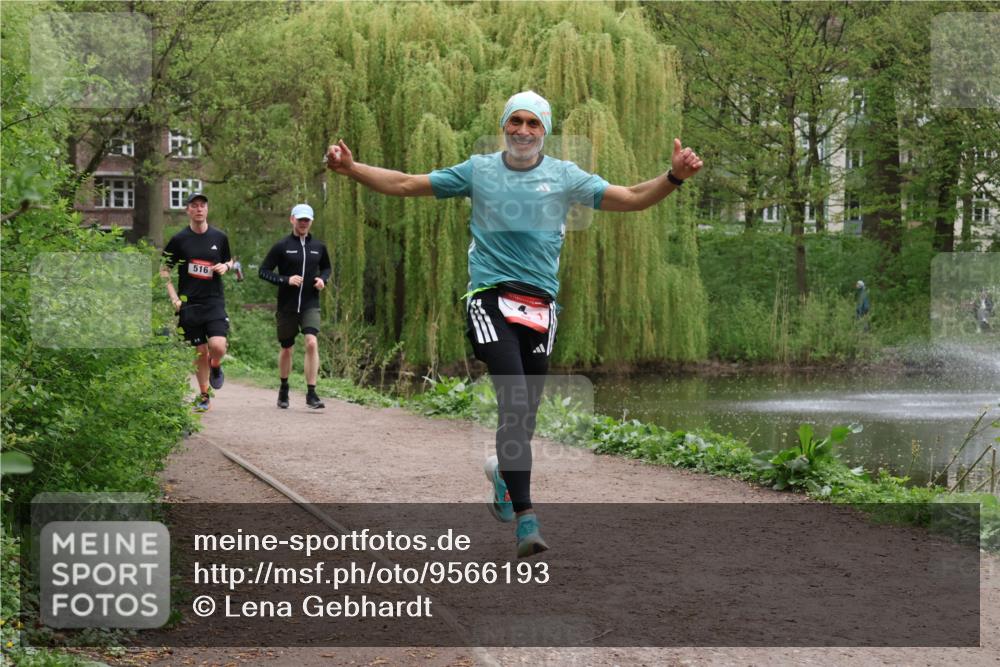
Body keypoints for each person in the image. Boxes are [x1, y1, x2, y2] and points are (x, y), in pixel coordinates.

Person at [325, 90, 703, 557]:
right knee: (514, 395)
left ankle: (504, 474)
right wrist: (352, 168)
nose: (523, 130)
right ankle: (527, 519)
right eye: (515, 121)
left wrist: (674, 177)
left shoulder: (565, 176)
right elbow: (405, 183)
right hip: (489, 298)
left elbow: (630, 197)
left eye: (533, 124)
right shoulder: (479, 170)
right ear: (504, 125)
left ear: (545, 131)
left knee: (523, 418)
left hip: (541, 307)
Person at [161, 192, 234, 412]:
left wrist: (226, 266)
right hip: (189, 303)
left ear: (207, 209)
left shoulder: (219, 237)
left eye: (202, 205)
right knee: (200, 351)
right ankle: (204, 395)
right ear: (188, 211)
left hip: (213, 300)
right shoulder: (179, 240)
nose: (199, 209)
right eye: (194, 206)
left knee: (217, 346)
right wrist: (174, 297)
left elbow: (230, 259)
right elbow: (164, 270)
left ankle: (216, 365)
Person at [258, 203, 332, 409]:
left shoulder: (318, 246)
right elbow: (263, 271)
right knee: (287, 348)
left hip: (310, 302)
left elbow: (326, 267)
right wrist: (285, 280)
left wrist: (323, 280)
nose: (303, 223)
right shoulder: (281, 246)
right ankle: (284, 388)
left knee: (311, 342)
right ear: (292, 219)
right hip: (287, 305)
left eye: (307, 220)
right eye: (300, 220)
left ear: (311, 222)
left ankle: (311, 393)